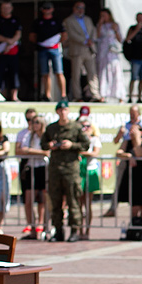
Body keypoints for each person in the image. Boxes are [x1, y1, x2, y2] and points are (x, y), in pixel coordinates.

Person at [41, 100, 89, 242]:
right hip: (55, 169)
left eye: (65, 110)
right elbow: (43, 143)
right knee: (55, 202)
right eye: (60, 110)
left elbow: (85, 144)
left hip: (71, 169)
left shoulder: (75, 127)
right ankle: (58, 230)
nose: (63, 113)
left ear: (68, 111)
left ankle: (75, 230)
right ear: (57, 112)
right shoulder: (51, 128)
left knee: (73, 200)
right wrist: (50, 145)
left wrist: (71, 145)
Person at [106, 103, 142, 218]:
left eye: (134, 113)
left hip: (140, 164)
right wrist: (120, 135)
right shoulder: (125, 126)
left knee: (141, 192)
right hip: (127, 161)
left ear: (139, 114)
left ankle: (141, 220)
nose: (132, 115)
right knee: (119, 185)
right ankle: (114, 208)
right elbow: (118, 145)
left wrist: (138, 139)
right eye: (130, 113)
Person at [115, 122, 142, 239]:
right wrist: (129, 156)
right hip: (132, 175)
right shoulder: (127, 141)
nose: (132, 132)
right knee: (134, 203)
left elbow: (140, 153)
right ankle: (134, 228)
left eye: (136, 130)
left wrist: (137, 139)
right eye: (131, 131)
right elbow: (118, 153)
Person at [17, 113, 48, 240]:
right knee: (29, 198)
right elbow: (22, 150)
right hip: (31, 168)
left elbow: (47, 151)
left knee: (42, 199)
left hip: (43, 168)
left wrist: (31, 151)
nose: (34, 125)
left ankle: (41, 225)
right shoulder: (28, 136)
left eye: (37, 122)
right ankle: (32, 225)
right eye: (32, 122)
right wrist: (37, 152)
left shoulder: (46, 137)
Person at [29, 1, 66, 102]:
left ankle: (63, 95)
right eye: (45, 8)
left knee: (59, 71)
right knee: (45, 73)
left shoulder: (57, 21)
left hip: (55, 49)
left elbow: (64, 34)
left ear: (52, 9)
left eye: (48, 8)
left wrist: (57, 43)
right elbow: (32, 36)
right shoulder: (38, 22)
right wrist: (40, 42)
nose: (47, 10)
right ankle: (47, 95)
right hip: (42, 49)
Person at [64, 1, 101, 102]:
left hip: (89, 50)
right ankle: (78, 96)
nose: (81, 10)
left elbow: (93, 31)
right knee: (76, 74)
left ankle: (95, 95)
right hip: (77, 50)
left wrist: (91, 41)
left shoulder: (88, 19)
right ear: (74, 8)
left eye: (82, 8)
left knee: (92, 73)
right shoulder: (69, 20)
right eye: (78, 7)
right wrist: (84, 41)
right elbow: (71, 34)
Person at [0, 1, 22, 101]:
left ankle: (14, 96)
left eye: (8, 8)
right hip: (0, 51)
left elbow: (18, 34)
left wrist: (11, 42)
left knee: (14, 73)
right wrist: (7, 41)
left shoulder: (16, 20)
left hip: (13, 51)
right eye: (4, 8)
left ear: (11, 8)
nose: (6, 10)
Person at [78, 116, 102, 240]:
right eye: (82, 125)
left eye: (87, 126)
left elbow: (95, 153)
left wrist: (81, 153)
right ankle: (79, 230)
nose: (85, 128)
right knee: (79, 203)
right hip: (79, 171)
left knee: (88, 203)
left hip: (90, 170)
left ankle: (87, 230)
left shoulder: (94, 139)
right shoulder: (78, 140)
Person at [95, 8, 126, 102]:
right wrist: (100, 23)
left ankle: (119, 94)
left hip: (112, 51)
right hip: (103, 50)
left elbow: (121, 39)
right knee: (103, 71)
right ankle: (103, 93)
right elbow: (97, 36)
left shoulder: (115, 25)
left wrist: (115, 30)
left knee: (115, 71)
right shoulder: (100, 25)